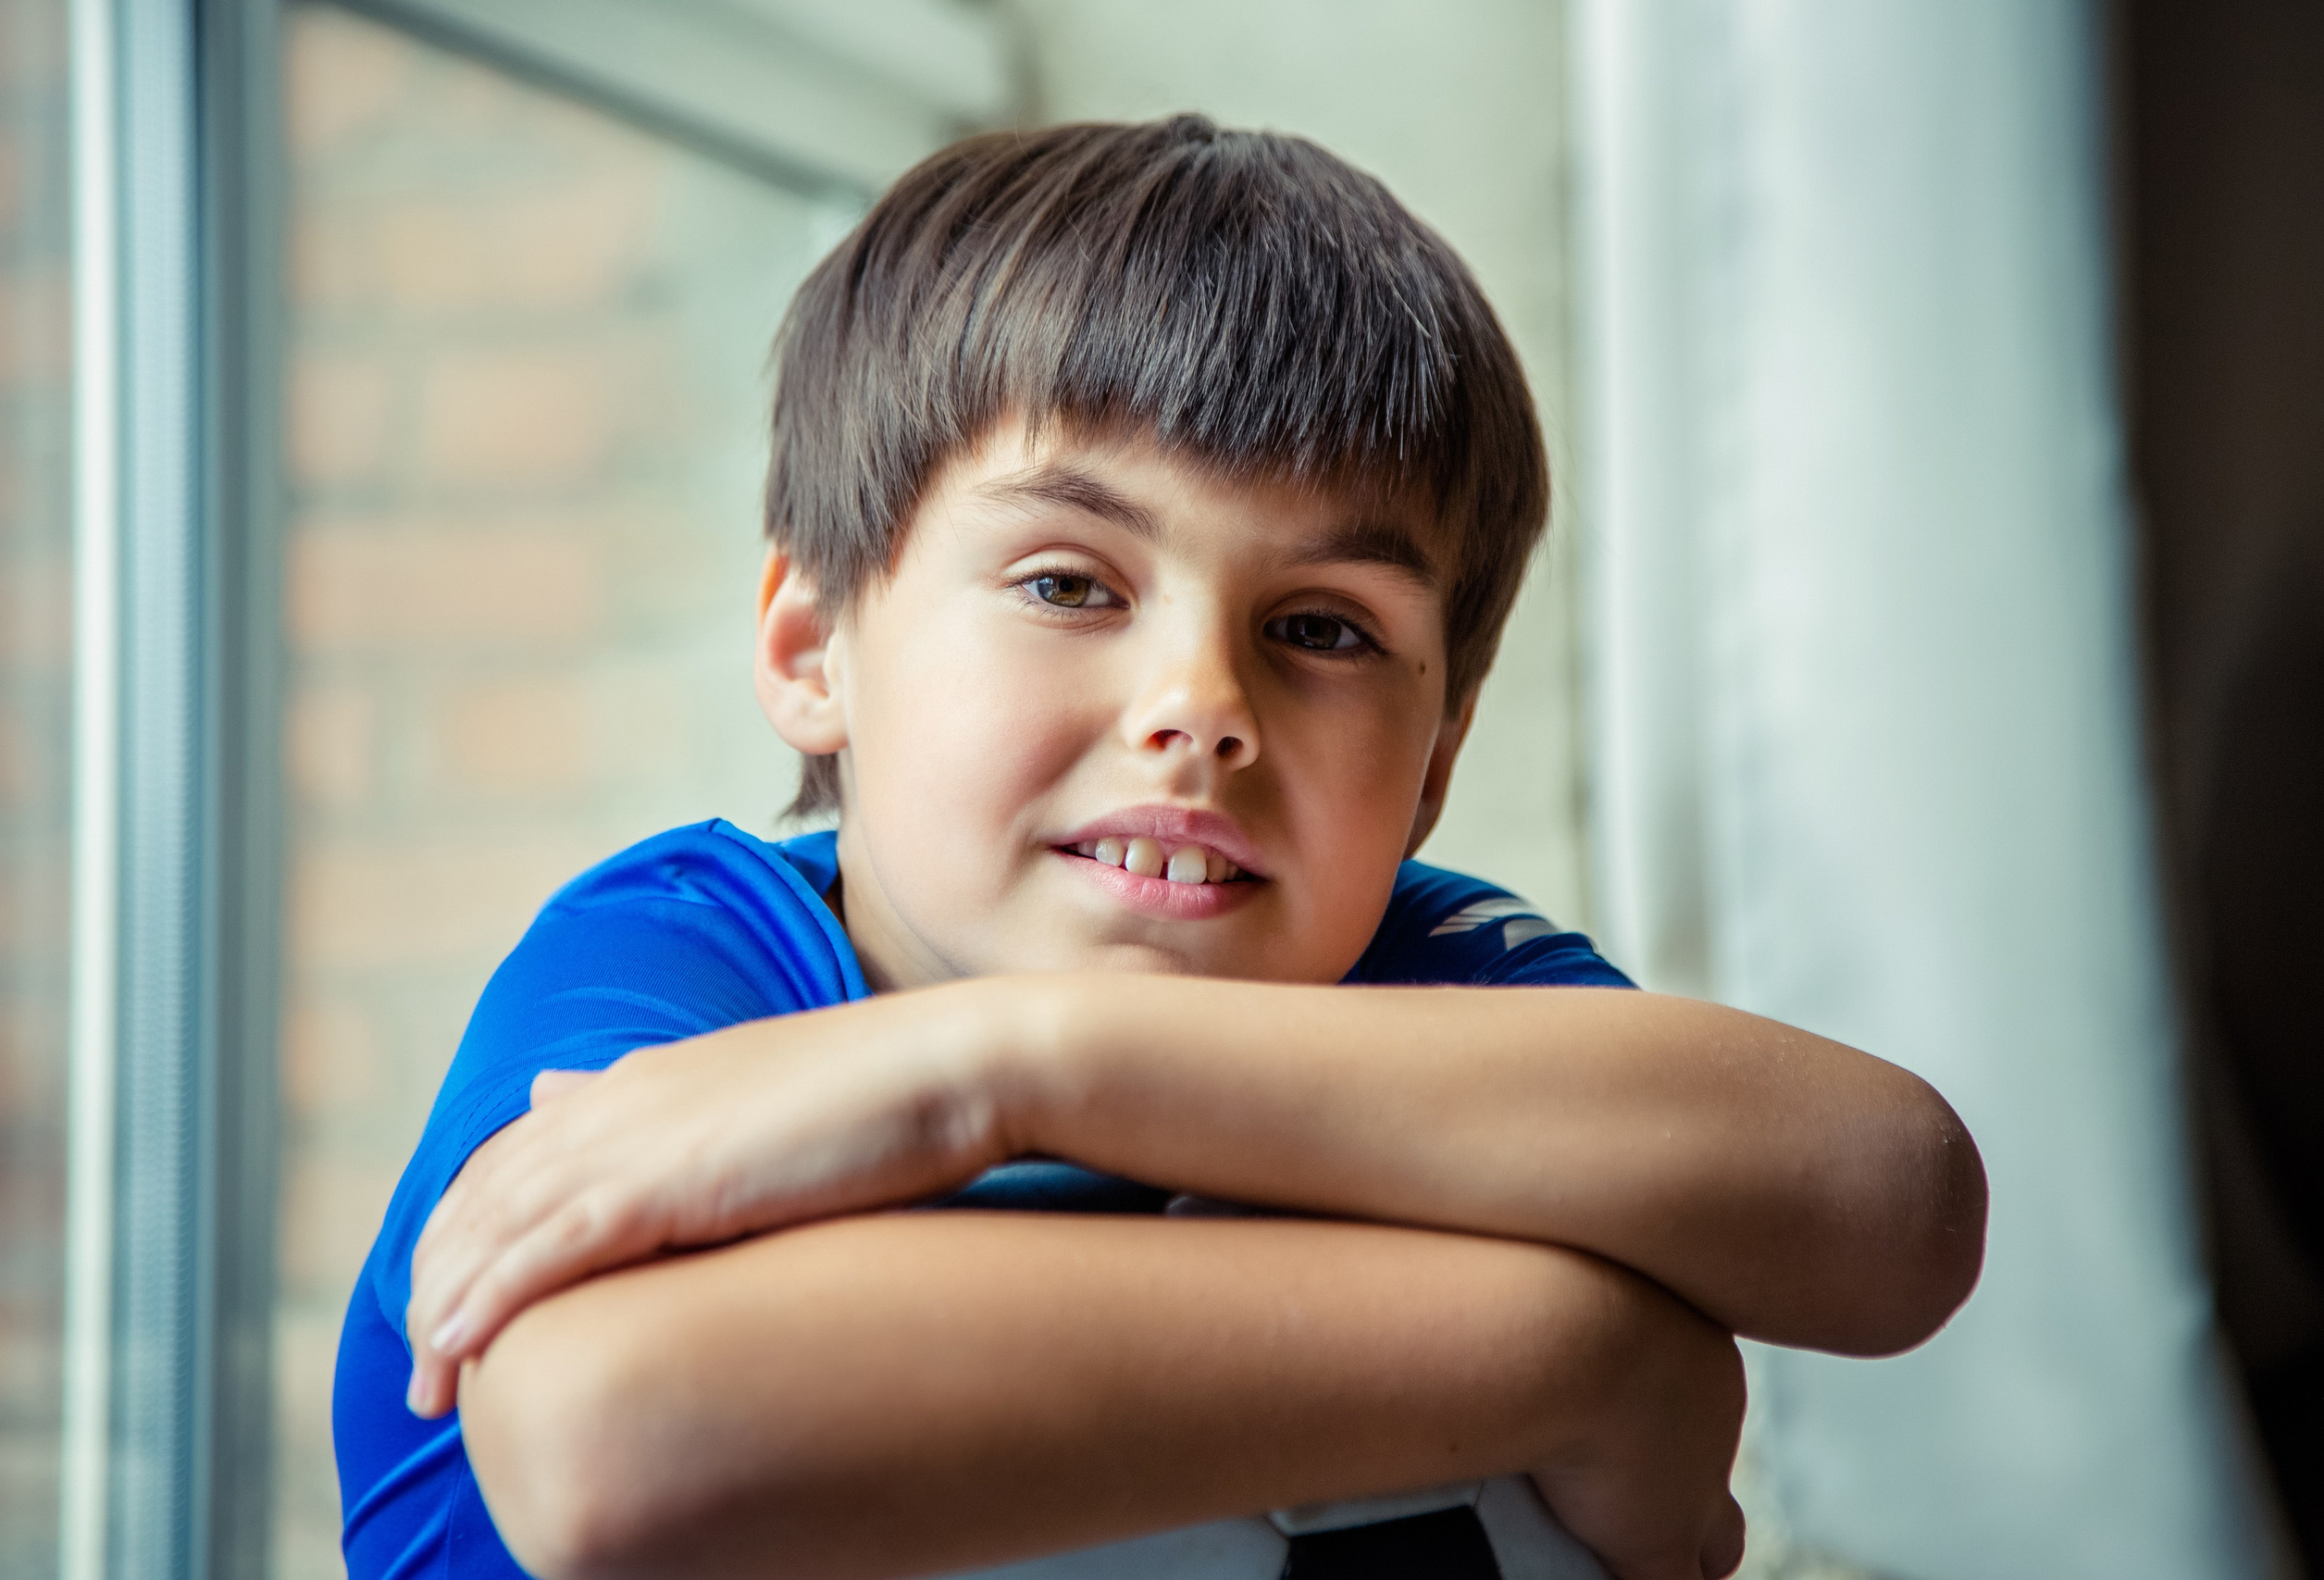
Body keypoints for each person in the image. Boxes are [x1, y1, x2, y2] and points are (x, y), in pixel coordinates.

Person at [332, 116, 1986, 1580]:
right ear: (812, 644)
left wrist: (1008, 1067)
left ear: (1435, 765)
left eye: (1326, 628)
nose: (1200, 706)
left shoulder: (1420, 969)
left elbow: (1896, 1205)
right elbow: (625, 1444)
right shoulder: (681, 960)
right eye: (1068, 584)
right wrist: (1586, 1354)